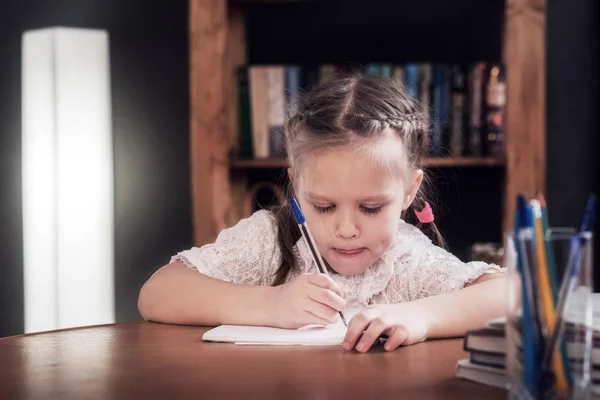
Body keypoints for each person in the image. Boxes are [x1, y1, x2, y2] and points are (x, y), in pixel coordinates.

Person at [138, 74, 506, 353]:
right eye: (324, 206)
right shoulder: (270, 239)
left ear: (409, 191)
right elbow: (157, 293)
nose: (346, 229)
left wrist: (421, 316)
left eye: (371, 207)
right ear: (296, 185)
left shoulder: (406, 259)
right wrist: (271, 304)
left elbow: (513, 292)